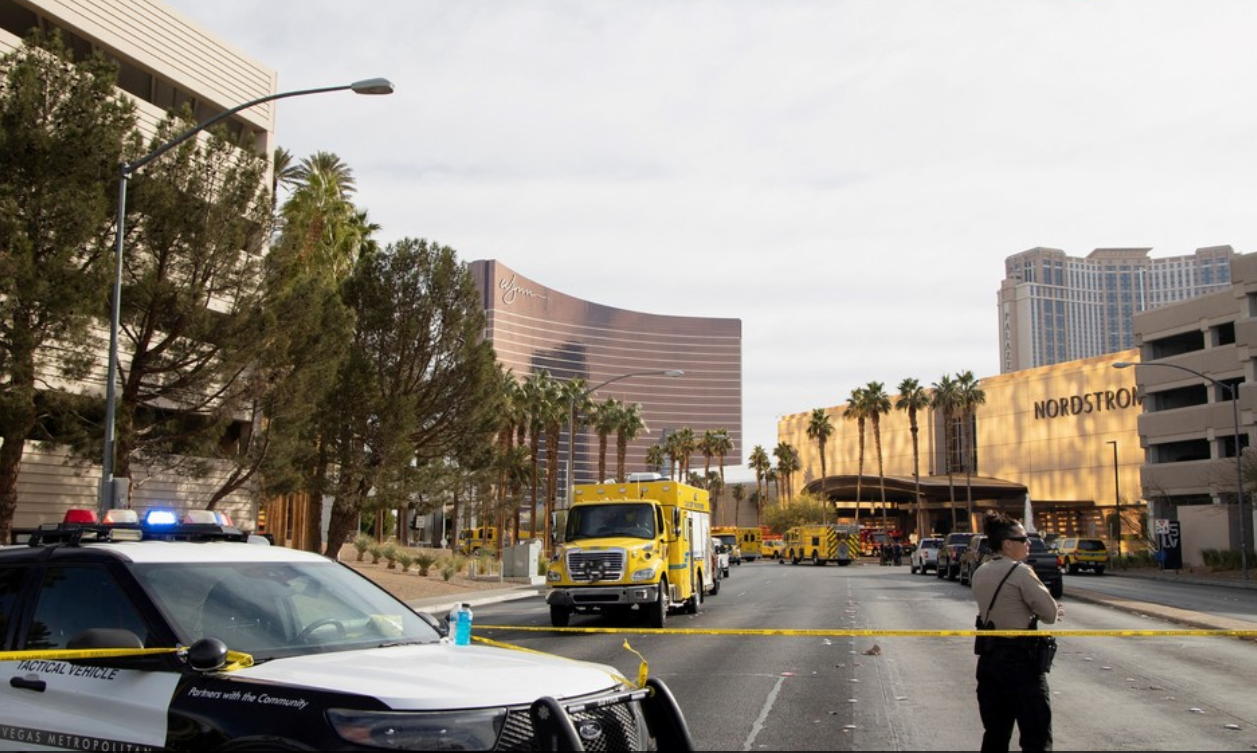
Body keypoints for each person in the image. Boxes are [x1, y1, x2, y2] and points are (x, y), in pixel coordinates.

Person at [971, 512, 1063, 752]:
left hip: (989, 662)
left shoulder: (981, 571)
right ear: (1008, 544)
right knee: (1036, 734)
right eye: (1023, 539)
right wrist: (1048, 606)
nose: (1028, 543)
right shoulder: (1020, 572)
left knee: (995, 734)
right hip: (1021, 662)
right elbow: (1050, 614)